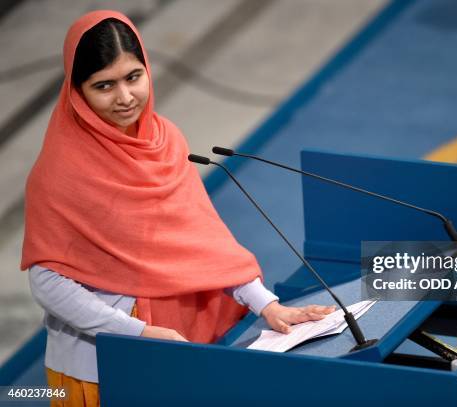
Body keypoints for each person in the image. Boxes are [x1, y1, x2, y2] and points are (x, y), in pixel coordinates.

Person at [20, 10, 334, 406]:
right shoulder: (59, 171)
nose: (124, 97)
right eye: (104, 86)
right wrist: (136, 333)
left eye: (133, 77)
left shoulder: (166, 140)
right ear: (77, 93)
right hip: (108, 366)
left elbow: (202, 243)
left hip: (194, 344)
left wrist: (266, 306)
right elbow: (48, 282)